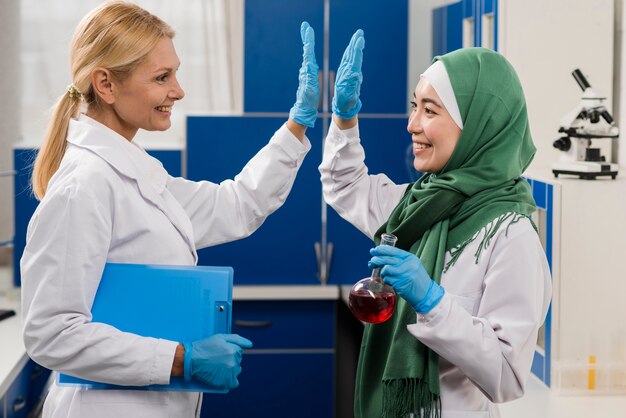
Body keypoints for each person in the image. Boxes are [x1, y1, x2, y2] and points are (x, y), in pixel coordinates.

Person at [20, 2, 320, 417]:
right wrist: (182, 359)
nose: (178, 90)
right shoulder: (85, 185)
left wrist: (297, 124)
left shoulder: (133, 172)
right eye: (162, 77)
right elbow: (50, 333)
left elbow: (236, 205)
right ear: (105, 84)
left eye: (174, 73)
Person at [320, 34, 552, 418]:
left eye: (430, 110)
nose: (412, 124)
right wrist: (345, 118)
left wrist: (433, 302)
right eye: (415, 107)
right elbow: (344, 185)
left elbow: (506, 377)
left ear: (479, 124)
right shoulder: (416, 204)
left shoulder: (511, 235)